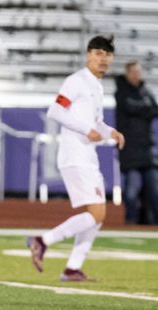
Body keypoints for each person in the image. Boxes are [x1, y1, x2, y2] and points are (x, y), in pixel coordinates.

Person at [27, 35, 125, 282]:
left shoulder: (96, 85)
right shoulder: (77, 80)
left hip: (87, 156)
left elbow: (96, 122)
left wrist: (110, 132)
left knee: (97, 218)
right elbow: (56, 110)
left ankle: (72, 268)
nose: (103, 59)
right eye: (98, 53)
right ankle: (42, 240)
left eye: (107, 54)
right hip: (75, 155)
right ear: (88, 55)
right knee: (97, 214)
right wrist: (85, 129)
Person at [114, 60, 158, 225]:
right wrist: (145, 108)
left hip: (147, 149)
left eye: (139, 72)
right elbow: (129, 107)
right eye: (134, 72)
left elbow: (157, 111)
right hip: (129, 149)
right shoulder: (121, 92)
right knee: (131, 190)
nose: (137, 75)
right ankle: (130, 222)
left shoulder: (146, 91)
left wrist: (141, 109)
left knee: (154, 189)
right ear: (127, 74)